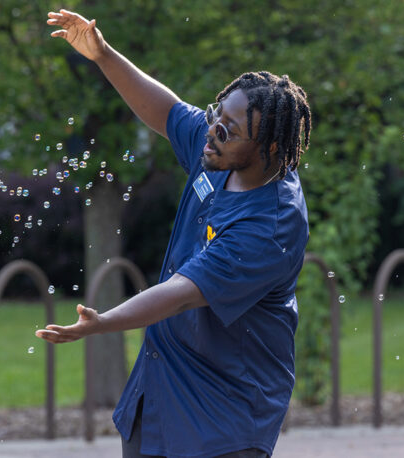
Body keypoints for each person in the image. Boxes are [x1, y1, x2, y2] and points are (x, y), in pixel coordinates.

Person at [37, 10, 312, 458]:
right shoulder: (218, 152)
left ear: (271, 148)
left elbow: (183, 292)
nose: (212, 131)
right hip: (160, 394)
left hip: (223, 421)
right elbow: (166, 112)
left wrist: (104, 323)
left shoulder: (271, 225)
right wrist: (102, 54)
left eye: (229, 129)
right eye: (215, 115)